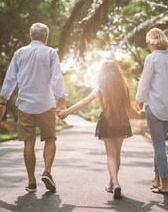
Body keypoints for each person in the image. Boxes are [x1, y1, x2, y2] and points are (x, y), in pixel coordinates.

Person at [0, 23, 66, 193]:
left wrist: (2, 102)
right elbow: (57, 78)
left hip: (25, 105)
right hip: (46, 104)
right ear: (45, 37)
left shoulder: (20, 53)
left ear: (30, 36)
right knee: (49, 139)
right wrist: (61, 101)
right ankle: (47, 172)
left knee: (29, 142)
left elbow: (10, 78)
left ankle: (31, 181)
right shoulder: (50, 53)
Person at [58, 60, 139, 199]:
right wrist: (138, 112)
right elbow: (130, 109)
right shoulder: (123, 88)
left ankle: (114, 182)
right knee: (117, 154)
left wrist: (67, 111)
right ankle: (113, 183)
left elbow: (84, 102)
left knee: (110, 155)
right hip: (121, 120)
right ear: (118, 72)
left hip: (106, 121)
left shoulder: (101, 87)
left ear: (102, 73)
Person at [134, 28, 168, 195]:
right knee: (158, 144)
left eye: (147, 42)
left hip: (155, 107)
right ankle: (156, 180)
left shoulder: (151, 58)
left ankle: (165, 184)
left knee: (158, 144)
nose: (147, 46)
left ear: (151, 41)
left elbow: (145, 83)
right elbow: (164, 82)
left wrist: (137, 102)